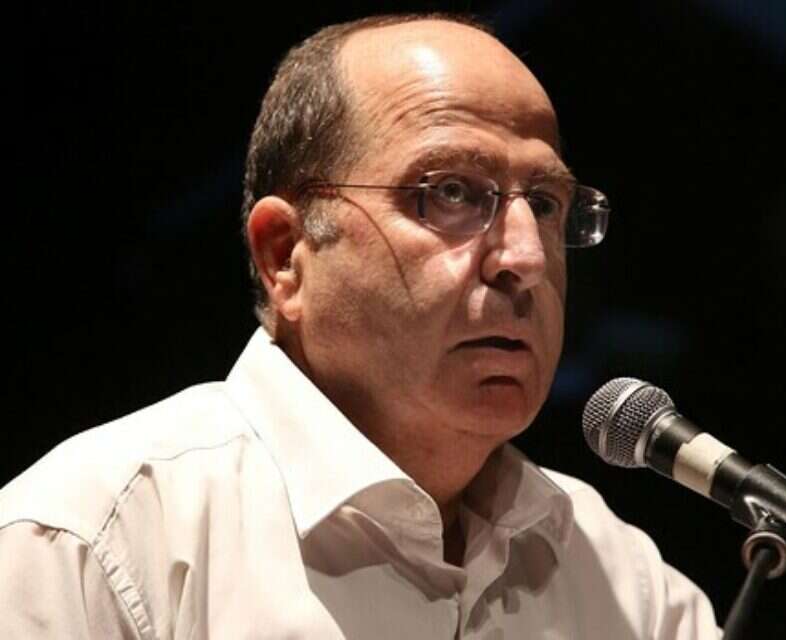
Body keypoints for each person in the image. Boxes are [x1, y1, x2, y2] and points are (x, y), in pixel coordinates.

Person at [0, 13, 719, 639]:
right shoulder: (93, 542)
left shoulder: (628, 585)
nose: (526, 258)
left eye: (546, 203)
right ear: (286, 255)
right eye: (452, 192)